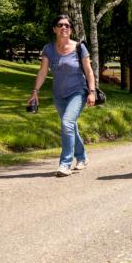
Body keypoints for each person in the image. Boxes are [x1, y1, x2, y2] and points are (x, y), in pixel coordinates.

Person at [28, 15, 97, 177]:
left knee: (67, 122)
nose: (64, 27)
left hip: (78, 92)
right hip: (58, 95)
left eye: (67, 25)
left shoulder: (80, 47)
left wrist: (92, 92)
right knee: (70, 125)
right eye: (60, 25)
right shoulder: (49, 49)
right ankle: (82, 157)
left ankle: (65, 164)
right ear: (54, 29)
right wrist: (35, 91)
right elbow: (43, 71)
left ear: (71, 29)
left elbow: (88, 71)